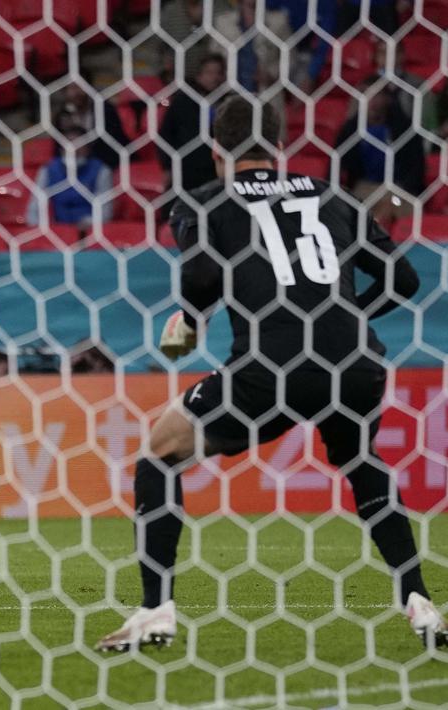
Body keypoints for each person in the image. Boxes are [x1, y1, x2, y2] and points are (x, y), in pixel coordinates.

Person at [96, 96, 446, 651]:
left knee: (159, 455)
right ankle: (420, 601)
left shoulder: (205, 201)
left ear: (217, 153)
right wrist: (350, 314)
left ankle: (155, 610)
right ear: (280, 149)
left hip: (272, 365)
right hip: (356, 363)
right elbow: (403, 281)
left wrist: (189, 320)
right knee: (360, 461)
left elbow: (201, 279)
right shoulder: (334, 196)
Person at [334, 74, 424, 224]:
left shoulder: (405, 129)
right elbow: (338, 166)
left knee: (390, 210)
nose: (372, 101)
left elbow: (416, 168)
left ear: (388, 99)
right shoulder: (350, 130)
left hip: (399, 189)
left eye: (377, 95)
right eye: (367, 95)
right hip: (364, 188)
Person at [158, 54, 226, 194]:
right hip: (186, 170)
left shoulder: (229, 102)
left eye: (218, 73)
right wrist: (167, 168)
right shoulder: (182, 101)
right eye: (209, 72)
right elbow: (165, 134)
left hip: (216, 171)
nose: (214, 77)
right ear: (199, 76)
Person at [29, 124, 113, 228]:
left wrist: (88, 223)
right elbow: (34, 209)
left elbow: (105, 211)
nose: (74, 149)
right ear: (61, 148)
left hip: (91, 229)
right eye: (69, 143)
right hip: (57, 231)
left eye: (80, 144)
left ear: (88, 148)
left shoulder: (102, 170)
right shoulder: (47, 170)